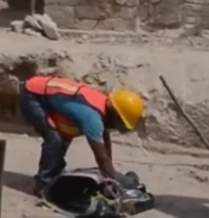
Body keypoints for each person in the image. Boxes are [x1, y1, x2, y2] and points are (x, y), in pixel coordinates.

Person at [17, 75, 145, 197]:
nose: (116, 128)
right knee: (55, 140)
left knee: (64, 134)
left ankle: (54, 175)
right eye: (119, 125)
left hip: (46, 92)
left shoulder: (104, 106)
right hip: (33, 95)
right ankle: (43, 185)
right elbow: (100, 156)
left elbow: (105, 140)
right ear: (116, 117)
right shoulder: (92, 119)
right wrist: (116, 179)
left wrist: (109, 172)